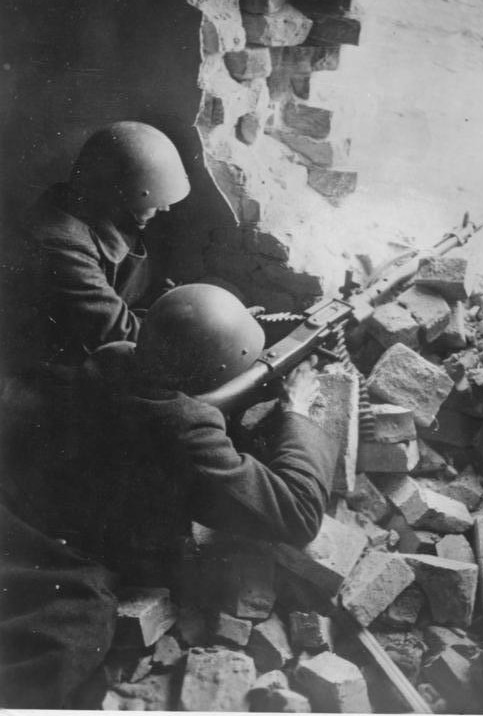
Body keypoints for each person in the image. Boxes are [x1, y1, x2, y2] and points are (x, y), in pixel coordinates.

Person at [0, 283, 337, 707]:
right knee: (78, 624)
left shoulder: (115, 355)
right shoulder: (185, 430)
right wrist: (298, 411)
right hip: (39, 541)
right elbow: (299, 513)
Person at [2, 120, 190, 373]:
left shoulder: (109, 213)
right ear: (118, 194)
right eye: (153, 199)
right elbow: (120, 335)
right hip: (41, 372)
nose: (165, 207)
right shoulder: (61, 246)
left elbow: (138, 292)